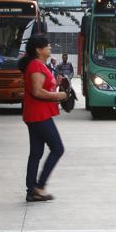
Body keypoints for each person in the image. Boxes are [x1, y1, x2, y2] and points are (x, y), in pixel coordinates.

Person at [19, 35, 68, 202]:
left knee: (36, 153)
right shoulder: (35, 66)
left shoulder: (39, 65)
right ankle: (39, 187)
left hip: (36, 113)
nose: (50, 48)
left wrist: (57, 82)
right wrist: (59, 95)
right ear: (39, 50)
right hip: (39, 114)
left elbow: (42, 87)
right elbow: (37, 91)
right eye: (47, 46)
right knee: (57, 148)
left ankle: (32, 189)